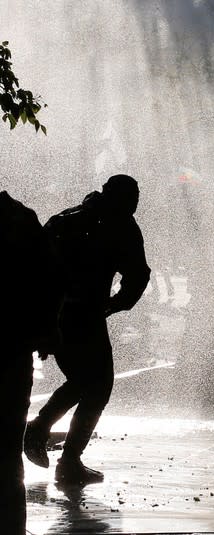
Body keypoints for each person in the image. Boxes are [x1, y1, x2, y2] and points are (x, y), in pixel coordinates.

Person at [24, 174, 151, 485]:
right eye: (132, 197)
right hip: (86, 315)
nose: (135, 204)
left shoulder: (65, 218)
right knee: (98, 384)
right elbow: (138, 275)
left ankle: (42, 433)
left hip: (56, 313)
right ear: (122, 198)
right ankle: (64, 456)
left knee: (83, 381)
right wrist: (115, 304)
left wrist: (39, 316)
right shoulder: (120, 225)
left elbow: (34, 265)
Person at [0, 191, 62, 534]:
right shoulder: (19, 218)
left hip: (13, 341)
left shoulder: (20, 219)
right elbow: (51, 280)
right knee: (7, 440)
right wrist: (47, 331)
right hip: (12, 343)